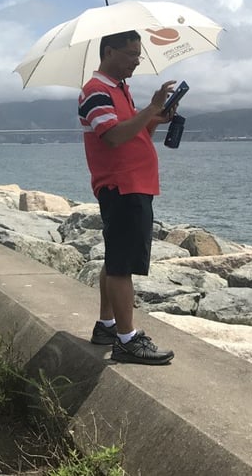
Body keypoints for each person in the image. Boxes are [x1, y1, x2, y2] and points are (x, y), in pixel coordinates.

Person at [77, 30, 177, 366]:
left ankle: (107, 326)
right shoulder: (96, 91)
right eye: (132, 53)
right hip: (122, 186)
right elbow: (114, 137)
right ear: (109, 51)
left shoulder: (119, 90)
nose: (138, 60)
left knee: (115, 258)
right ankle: (126, 339)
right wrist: (150, 107)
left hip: (133, 184)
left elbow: (134, 135)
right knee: (122, 267)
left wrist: (154, 118)